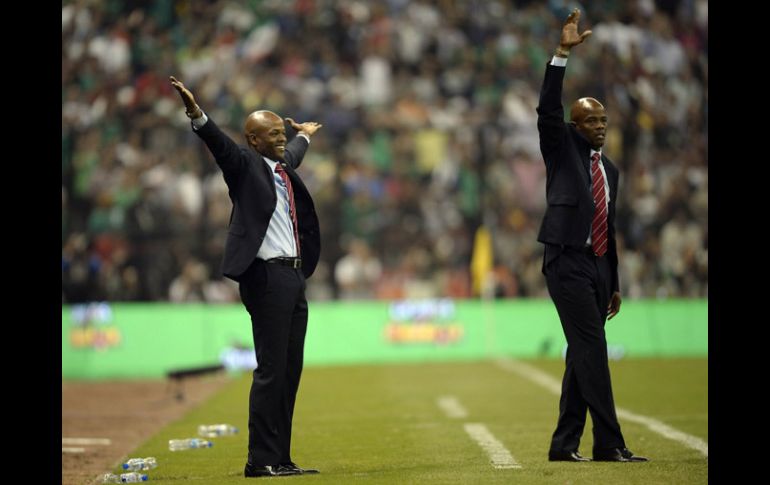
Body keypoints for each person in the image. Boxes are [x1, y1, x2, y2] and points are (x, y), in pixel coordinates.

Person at [170, 75, 323, 477]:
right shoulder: (244, 166)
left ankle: (282, 458)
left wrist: (303, 135)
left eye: (280, 132)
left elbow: (295, 153)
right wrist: (197, 114)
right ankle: (259, 460)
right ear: (253, 141)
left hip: (293, 277)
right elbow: (218, 145)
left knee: (290, 372)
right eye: (271, 134)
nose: (279, 138)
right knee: (271, 371)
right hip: (266, 278)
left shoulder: (282, 164)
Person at [536, 10, 648, 463]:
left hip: (599, 267)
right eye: (591, 121)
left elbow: (609, 227)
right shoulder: (562, 150)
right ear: (575, 127)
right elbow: (547, 108)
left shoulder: (611, 170)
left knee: (580, 355)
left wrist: (614, 281)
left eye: (603, 120)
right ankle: (609, 443)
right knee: (592, 350)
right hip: (566, 261)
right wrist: (561, 54)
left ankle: (564, 446)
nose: (600, 126)